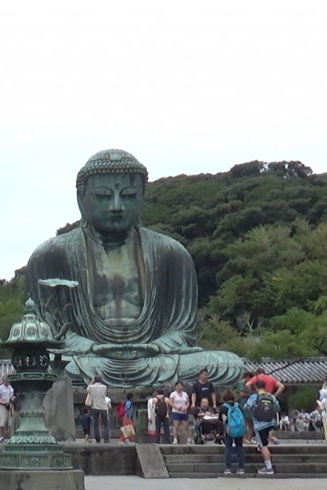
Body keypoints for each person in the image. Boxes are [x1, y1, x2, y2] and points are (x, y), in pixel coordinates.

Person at [26, 149, 244, 389]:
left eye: (129, 196)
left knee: (227, 365)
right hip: (87, 359)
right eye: (103, 196)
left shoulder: (171, 253)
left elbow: (182, 331)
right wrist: (91, 347)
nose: (116, 206)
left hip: (153, 358)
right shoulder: (51, 255)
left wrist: (156, 346)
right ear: (80, 198)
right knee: (46, 364)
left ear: (142, 197)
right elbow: (50, 333)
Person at [244, 379, 279, 475]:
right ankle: (268, 465)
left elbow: (247, 407)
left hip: (259, 424)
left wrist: (253, 414)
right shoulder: (271, 396)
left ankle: (269, 467)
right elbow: (277, 407)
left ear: (255, 387)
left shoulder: (254, 397)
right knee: (264, 442)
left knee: (263, 445)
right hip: (270, 422)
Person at [221, 390, 246, 475]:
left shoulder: (223, 407)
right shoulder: (238, 405)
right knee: (239, 447)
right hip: (239, 428)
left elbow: (221, 419)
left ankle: (228, 468)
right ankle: (241, 468)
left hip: (229, 429)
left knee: (228, 448)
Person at [85, 376, 110, 443]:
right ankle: (105, 437)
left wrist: (92, 382)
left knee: (96, 424)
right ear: (101, 380)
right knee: (106, 423)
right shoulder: (104, 387)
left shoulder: (91, 387)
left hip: (94, 407)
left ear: (94, 380)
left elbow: (87, 389)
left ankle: (97, 439)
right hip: (103, 406)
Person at [0, 374, 15, 443]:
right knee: (1, 422)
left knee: (11, 422)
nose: (7, 381)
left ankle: (11, 436)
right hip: (3, 405)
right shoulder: (0, 388)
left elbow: (13, 396)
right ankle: (1, 437)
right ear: (3, 381)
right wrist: (3, 402)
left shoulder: (11, 388)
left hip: (10, 405)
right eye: (6, 380)